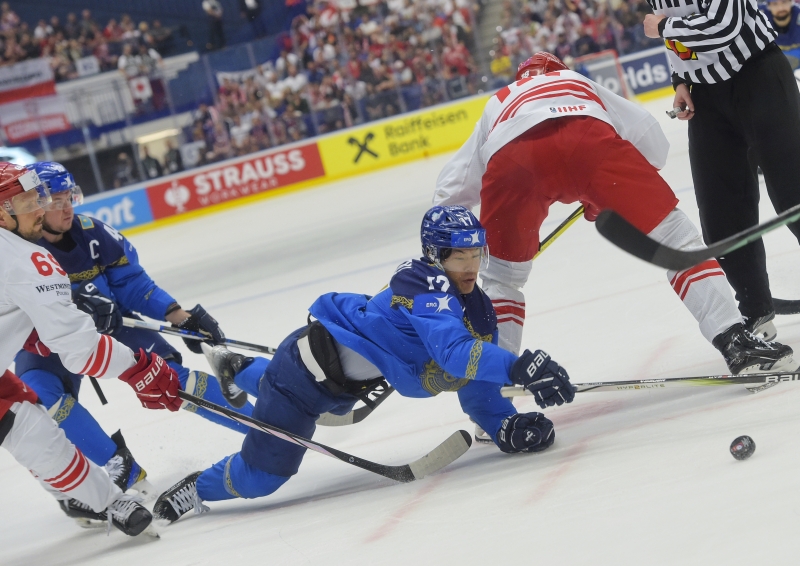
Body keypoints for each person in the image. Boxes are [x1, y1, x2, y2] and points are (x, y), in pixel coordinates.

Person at [432, 53, 795, 439]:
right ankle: (737, 344)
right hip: (590, 143)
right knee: (677, 240)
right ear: (557, 70)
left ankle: (491, 402)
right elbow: (652, 145)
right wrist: (600, 192)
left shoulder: (500, 99)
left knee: (503, 281)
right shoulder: (577, 81)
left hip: (513, 160)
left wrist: (464, 244)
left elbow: (451, 191)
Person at [151, 206, 575, 523]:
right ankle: (197, 485)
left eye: (474, 254)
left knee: (300, 401)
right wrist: (520, 368)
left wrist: (503, 425)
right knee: (263, 476)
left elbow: (473, 376)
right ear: (434, 254)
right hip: (300, 374)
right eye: (458, 256)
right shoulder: (421, 281)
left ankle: (238, 366)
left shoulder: (476, 306)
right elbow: (452, 352)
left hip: (334, 388)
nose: (470, 267)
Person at [14, 162, 256, 524]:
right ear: (36, 205)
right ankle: (113, 469)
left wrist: (181, 316)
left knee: (171, 378)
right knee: (38, 395)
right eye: (57, 201)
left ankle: (262, 424)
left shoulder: (95, 234)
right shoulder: (15, 252)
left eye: (70, 199)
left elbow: (132, 285)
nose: (68, 209)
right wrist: (74, 308)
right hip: (51, 341)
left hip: (114, 327)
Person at [0, 162, 181, 536]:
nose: (41, 208)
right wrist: (138, 366)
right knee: (31, 429)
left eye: (40, 197)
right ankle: (108, 502)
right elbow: (80, 349)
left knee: (31, 425)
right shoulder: (24, 259)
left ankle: (109, 502)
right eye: (29, 202)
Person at [643, 0, 800, 342]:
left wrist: (663, 29)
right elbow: (676, 29)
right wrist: (680, 79)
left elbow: (723, 27)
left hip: (759, 76)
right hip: (705, 96)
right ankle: (757, 314)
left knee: (794, 194)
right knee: (721, 215)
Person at [761, 0, 800, 70]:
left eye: (784, 2)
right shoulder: (758, 18)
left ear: (791, 2)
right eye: (775, 4)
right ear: (768, 5)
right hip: (769, 66)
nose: (780, 8)